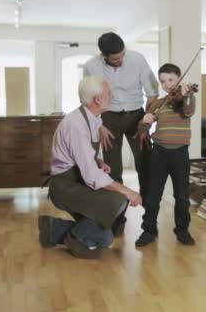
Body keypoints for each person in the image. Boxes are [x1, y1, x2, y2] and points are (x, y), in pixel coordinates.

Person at [38, 76, 143, 259]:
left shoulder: (92, 119)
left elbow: (88, 155)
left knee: (105, 236)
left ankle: (53, 229)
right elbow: (92, 177)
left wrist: (100, 162)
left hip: (76, 181)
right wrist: (129, 191)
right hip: (65, 187)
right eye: (108, 93)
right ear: (97, 99)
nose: (112, 95)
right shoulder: (76, 125)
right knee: (118, 199)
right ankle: (76, 238)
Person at [82, 32, 158, 201]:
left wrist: (146, 122)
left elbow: (152, 93)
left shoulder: (137, 59)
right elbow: (88, 100)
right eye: (116, 59)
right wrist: (99, 126)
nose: (121, 60)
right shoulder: (91, 66)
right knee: (112, 168)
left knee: (145, 163)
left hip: (137, 117)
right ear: (104, 56)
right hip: (108, 119)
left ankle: (149, 208)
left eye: (122, 55)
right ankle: (117, 211)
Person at [135, 63, 196, 247]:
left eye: (171, 80)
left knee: (182, 195)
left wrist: (186, 95)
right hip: (159, 152)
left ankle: (182, 230)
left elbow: (188, 111)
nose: (167, 84)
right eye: (163, 81)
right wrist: (144, 122)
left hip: (180, 153)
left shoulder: (186, 98)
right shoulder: (159, 103)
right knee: (153, 194)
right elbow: (142, 129)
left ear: (179, 79)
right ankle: (149, 229)